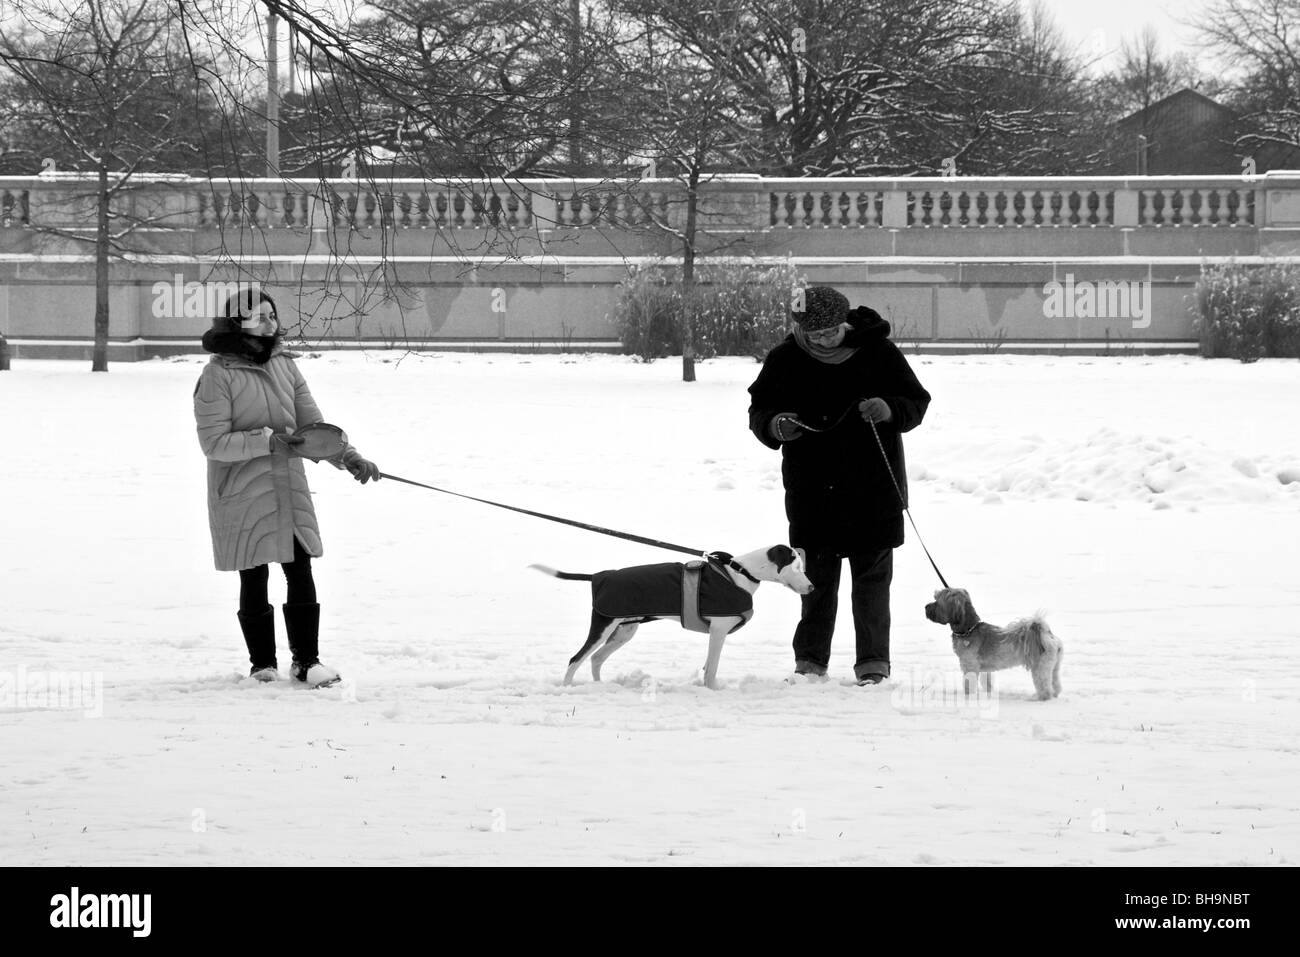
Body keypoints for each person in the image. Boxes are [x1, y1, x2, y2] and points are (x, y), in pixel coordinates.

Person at [193, 288, 380, 687]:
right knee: (254, 575)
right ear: (236, 324)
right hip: (242, 491)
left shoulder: (286, 367)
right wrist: (268, 441)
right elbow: (213, 444)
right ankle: (262, 664)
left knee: (300, 568)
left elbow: (315, 429)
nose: (270, 323)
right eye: (259, 317)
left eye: (273, 316)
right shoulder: (217, 374)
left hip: (287, 489)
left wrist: (350, 458)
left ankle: (307, 662)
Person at [747, 285, 931, 684]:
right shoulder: (785, 358)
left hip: (874, 488)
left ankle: (873, 664)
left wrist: (889, 409)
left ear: (844, 321)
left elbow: (916, 401)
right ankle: (810, 662)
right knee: (815, 582)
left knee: (871, 584)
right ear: (801, 330)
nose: (826, 339)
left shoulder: (878, 352)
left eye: (832, 330)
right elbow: (759, 410)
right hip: (813, 490)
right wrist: (777, 424)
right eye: (817, 334)